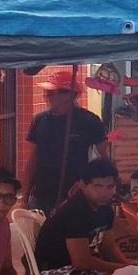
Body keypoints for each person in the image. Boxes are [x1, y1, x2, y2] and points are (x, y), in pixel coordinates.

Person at [34, 158, 129, 275]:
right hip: (52, 273)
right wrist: (121, 269)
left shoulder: (105, 210)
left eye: (110, 187)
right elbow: (81, 261)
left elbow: (109, 247)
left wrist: (129, 268)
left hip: (81, 269)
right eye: (98, 186)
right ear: (83, 185)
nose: (105, 192)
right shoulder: (76, 210)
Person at [24, 71, 108, 213]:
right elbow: (32, 160)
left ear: (69, 95)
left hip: (75, 193)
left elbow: (103, 159)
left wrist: (87, 182)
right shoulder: (39, 120)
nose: (46, 97)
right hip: (41, 194)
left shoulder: (90, 121)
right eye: (46, 93)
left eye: (51, 93)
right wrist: (23, 198)